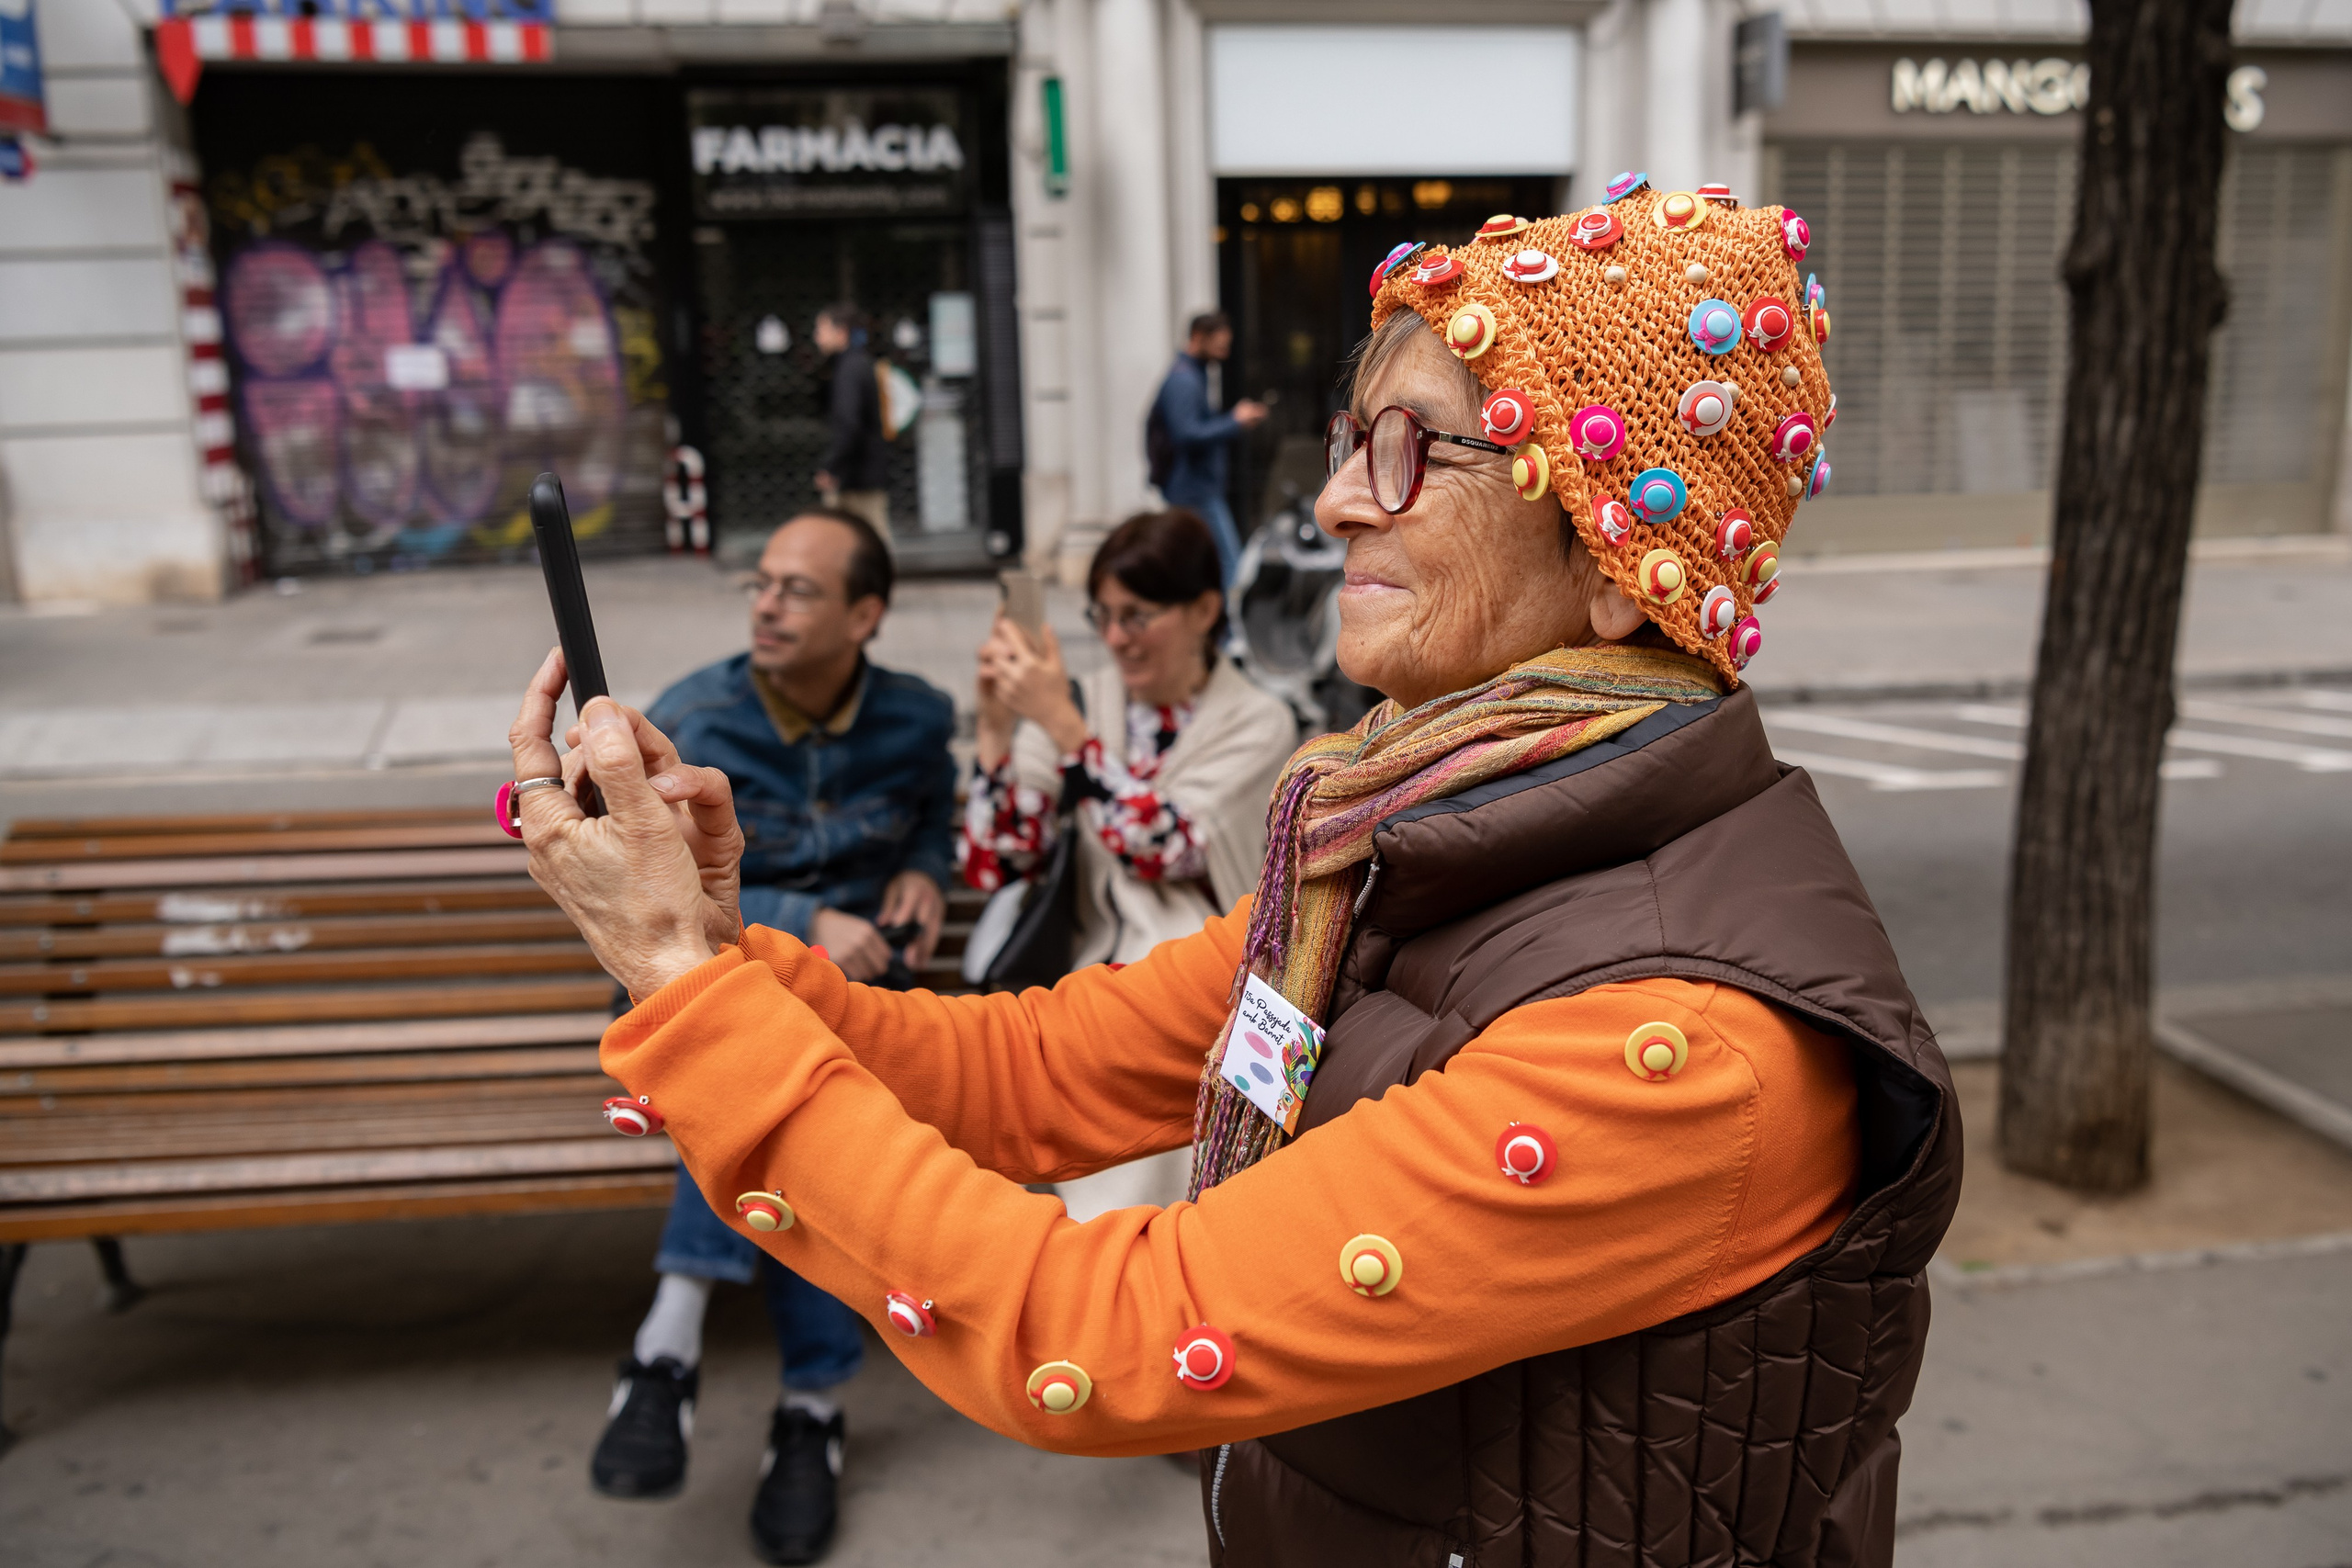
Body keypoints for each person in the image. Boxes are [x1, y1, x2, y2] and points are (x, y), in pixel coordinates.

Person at [513, 194, 1959, 1568]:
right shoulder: (1400, 842)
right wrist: (704, 942)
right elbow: (1033, 1069)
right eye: (1350, 438)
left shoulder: (1679, 1050)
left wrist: (690, 995)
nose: (1334, 501)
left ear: (1617, 574)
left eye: (1413, 451)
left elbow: (1106, 1333)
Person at [582, 506, 955, 1566]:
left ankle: (669, 1345)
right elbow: (638, 910)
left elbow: (931, 807)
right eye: (761, 583)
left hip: (835, 1011)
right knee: (775, 1086)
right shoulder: (691, 724)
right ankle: (810, 1414)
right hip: (698, 994)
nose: (767, 603)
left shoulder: (916, 720)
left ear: (865, 614)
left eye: (798, 589)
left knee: (797, 1095)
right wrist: (802, 919)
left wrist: (926, 865)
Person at [959, 507, 1295, 1217]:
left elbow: (1165, 847)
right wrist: (993, 729)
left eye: (1137, 616)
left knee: (1244, 1191)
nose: (1115, 638)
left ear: (1204, 609)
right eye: (1102, 615)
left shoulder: (1261, 719)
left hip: (1237, 983)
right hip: (1111, 984)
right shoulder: (1078, 701)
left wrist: (1067, 732)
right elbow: (996, 861)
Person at [1150, 310, 1267, 596]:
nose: (1224, 354)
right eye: (1219, 346)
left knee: (1198, 565)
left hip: (1197, 488)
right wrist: (1234, 421)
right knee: (1228, 564)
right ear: (1198, 338)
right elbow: (1186, 433)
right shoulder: (1184, 380)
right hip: (1193, 491)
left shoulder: (1193, 376)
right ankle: (1225, 633)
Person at [811, 304, 892, 543]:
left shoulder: (850, 369)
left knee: (869, 543)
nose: (817, 337)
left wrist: (832, 467)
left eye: (821, 329)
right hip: (859, 474)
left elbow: (849, 423)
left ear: (841, 332)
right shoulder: (855, 364)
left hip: (858, 478)